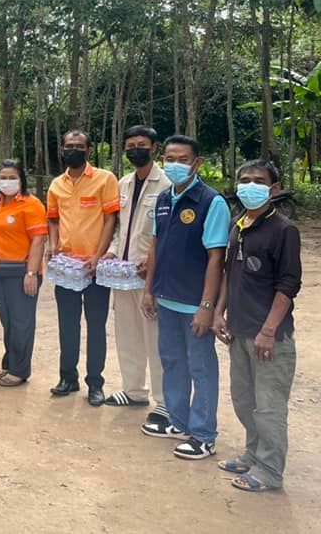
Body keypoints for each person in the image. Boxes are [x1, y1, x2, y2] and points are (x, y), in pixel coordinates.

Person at [214, 160, 301, 491]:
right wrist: (220, 312)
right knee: (244, 399)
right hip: (239, 330)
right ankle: (253, 453)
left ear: (274, 189)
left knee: (269, 407)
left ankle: (269, 470)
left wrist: (268, 330)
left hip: (270, 337)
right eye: (244, 180)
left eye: (258, 180)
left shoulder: (283, 230)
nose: (249, 185)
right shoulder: (240, 225)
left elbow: (288, 285)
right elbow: (228, 273)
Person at [141, 135, 229, 460]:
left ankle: (203, 434)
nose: (174, 164)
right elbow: (154, 247)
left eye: (182, 159)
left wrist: (207, 307)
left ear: (197, 163)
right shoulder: (163, 198)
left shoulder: (211, 202)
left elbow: (216, 258)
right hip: (166, 299)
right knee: (172, 362)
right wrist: (150, 290)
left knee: (201, 368)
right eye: (169, 158)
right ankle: (178, 422)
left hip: (195, 304)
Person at [102, 126, 170, 429]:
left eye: (141, 145)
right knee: (126, 333)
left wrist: (151, 261)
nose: (135, 150)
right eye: (130, 145)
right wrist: (113, 251)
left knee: (155, 338)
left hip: (150, 276)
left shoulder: (167, 184)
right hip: (123, 272)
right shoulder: (124, 184)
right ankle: (134, 391)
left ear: (153, 148)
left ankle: (165, 401)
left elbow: (167, 234)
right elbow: (119, 226)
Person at [46, 130, 120, 405]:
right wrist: (53, 246)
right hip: (66, 267)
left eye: (79, 146)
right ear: (62, 149)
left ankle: (95, 383)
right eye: (68, 146)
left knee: (96, 326)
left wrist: (99, 256)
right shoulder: (56, 185)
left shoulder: (104, 179)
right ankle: (68, 377)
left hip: (95, 269)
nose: (73, 150)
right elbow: (53, 220)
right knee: (67, 324)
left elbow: (111, 219)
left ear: (89, 150)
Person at [0, 159, 47, 387]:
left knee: (22, 321)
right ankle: (9, 362)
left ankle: (20, 369)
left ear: (21, 180)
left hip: (22, 271)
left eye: (12, 177)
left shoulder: (32, 204)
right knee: (7, 320)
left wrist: (31, 273)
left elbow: (39, 239)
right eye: (3, 177)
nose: (6, 182)